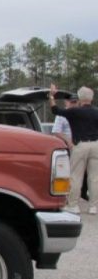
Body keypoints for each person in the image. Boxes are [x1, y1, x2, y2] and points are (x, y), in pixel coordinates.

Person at [49, 84, 98, 214]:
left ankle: (73, 205)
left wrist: (52, 96)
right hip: (95, 145)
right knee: (94, 177)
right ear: (92, 98)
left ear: (80, 99)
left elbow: (55, 110)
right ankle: (93, 206)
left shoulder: (75, 111)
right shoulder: (96, 112)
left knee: (76, 176)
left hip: (80, 145)